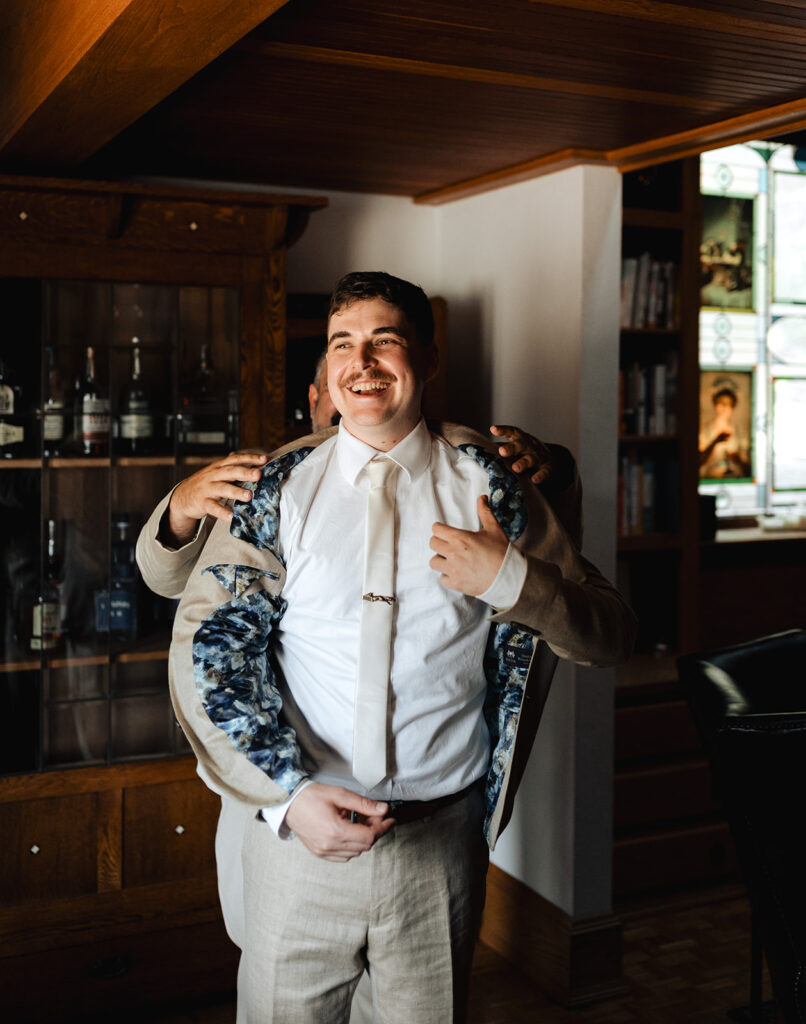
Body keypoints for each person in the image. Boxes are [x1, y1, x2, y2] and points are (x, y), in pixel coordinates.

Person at [139, 271, 635, 1023]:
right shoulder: (275, 488)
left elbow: (608, 636)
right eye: (343, 343)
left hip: (440, 852)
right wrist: (287, 796)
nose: (361, 361)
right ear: (327, 368)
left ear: (427, 362)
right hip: (296, 845)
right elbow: (208, 655)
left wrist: (510, 579)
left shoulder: (493, 486)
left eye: (385, 341)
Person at [699, 379, 751, 479]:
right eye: (721, 403)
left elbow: (747, 465)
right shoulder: (704, 430)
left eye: (728, 404)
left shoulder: (739, 431)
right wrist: (715, 442)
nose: (724, 408)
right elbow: (699, 460)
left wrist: (736, 458)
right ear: (715, 404)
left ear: (732, 407)